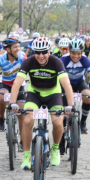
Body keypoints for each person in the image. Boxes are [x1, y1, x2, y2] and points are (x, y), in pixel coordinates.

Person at [9, 37, 75, 169]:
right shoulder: (28, 62)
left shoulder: (56, 62)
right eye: (37, 52)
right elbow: (17, 82)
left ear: (49, 51)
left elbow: (66, 84)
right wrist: (12, 102)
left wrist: (70, 105)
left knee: (57, 121)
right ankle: (27, 155)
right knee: (27, 120)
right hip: (35, 94)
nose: (40, 56)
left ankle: (55, 148)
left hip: (53, 94)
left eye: (44, 52)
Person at [60, 39, 90, 140]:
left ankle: (83, 122)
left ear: (82, 52)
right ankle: (62, 131)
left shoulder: (85, 59)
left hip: (79, 82)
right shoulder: (63, 59)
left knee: (88, 96)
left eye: (78, 53)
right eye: (73, 53)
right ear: (69, 52)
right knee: (66, 109)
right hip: (66, 84)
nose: (76, 56)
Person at [0, 37, 27, 135]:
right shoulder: (0, 58)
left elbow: (30, 69)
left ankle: (22, 140)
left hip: (19, 85)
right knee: (2, 97)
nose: (18, 49)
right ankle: (2, 117)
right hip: (6, 84)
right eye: (15, 47)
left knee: (21, 114)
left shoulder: (22, 57)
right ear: (8, 49)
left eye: (18, 47)